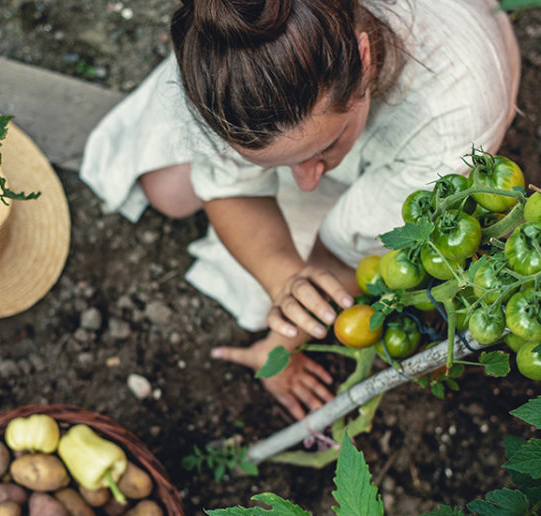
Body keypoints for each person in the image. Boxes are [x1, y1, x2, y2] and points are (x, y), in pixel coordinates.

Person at [80, 0, 520, 420]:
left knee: (273, 280)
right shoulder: (236, 92)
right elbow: (235, 192)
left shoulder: (450, 119)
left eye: (327, 146)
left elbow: (340, 256)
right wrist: (283, 277)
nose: (307, 181)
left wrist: (281, 345)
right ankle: (266, 72)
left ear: (364, 59)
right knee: (168, 193)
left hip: (433, 117)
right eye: (282, 163)